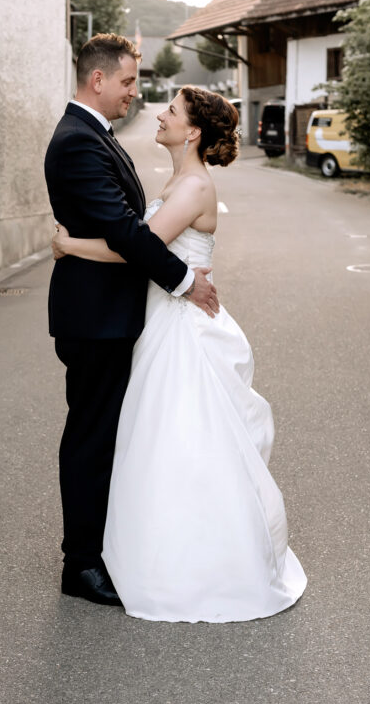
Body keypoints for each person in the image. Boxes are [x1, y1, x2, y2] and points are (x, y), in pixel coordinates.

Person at [52, 85, 307, 622]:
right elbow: (138, 240)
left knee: (184, 439)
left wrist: (70, 245)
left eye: (171, 110)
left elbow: (137, 248)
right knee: (156, 437)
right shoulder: (179, 180)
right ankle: (142, 546)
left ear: (192, 131)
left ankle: (195, 560)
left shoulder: (193, 186)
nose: (160, 114)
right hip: (160, 319)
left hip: (181, 327)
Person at [44, 34, 219, 607]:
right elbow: (125, 233)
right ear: (97, 79)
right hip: (94, 320)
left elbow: (127, 230)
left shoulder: (94, 135)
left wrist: (72, 245)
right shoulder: (78, 141)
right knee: (91, 439)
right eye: (127, 82)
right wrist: (186, 281)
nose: (134, 94)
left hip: (112, 316)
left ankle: (106, 549)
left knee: (111, 437)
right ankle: (81, 564)